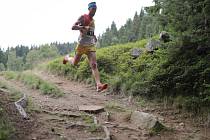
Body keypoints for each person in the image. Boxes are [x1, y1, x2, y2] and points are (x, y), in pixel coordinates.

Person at [63, 2, 108, 92]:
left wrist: (94, 36)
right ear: (89, 9)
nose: (94, 11)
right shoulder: (83, 17)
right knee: (75, 63)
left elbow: (90, 31)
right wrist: (82, 27)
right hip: (81, 45)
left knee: (94, 65)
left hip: (90, 45)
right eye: (93, 9)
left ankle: (99, 85)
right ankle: (67, 58)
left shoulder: (93, 20)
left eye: (96, 9)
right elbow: (73, 27)